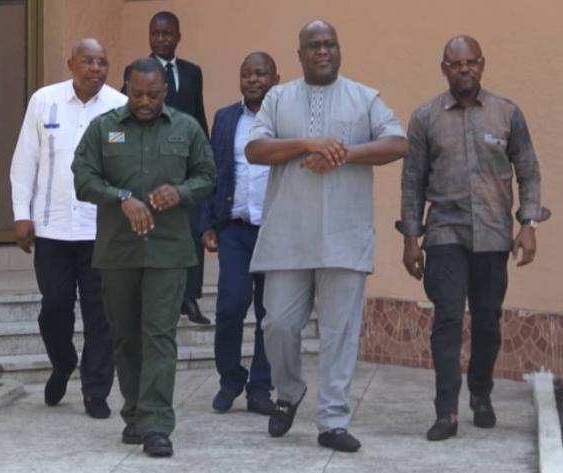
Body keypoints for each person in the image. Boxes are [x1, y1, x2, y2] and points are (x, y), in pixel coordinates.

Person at [245, 20, 408, 452]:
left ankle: (333, 420)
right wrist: (307, 144)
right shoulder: (278, 98)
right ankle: (289, 391)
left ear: (339, 50)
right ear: (299, 55)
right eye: (314, 45)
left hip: (344, 237)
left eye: (329, 44)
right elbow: (255, 150)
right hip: (287, 236)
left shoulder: (364, 97)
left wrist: (344, 153)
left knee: (340, 333)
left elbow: (397, 142)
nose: (323, 51)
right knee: (278, 324)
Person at [397, 35, 550, 441]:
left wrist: (528, 224)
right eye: (455, 63)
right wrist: (411, 237)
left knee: (487, 320)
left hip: (493, 234)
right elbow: (412, 182)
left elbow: (529, 171)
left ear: (482, 64)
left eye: (471, 62)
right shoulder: (425, 117)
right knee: (447, 318)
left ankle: (480, 393)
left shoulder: (507, 113)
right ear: (443, 68)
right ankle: (446, 411)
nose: (464, 69)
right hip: (444, 232)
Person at [72, 58, 215, 457]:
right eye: (137, 94)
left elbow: (208, 176)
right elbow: (83, 178)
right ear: (126, 89)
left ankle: (156, 424)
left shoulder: (186, 128)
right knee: (125, 337)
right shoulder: (104, 128)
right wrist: (121, 197)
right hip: (118, 251)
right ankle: (135, 412)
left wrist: (181, 193)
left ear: (165, 91)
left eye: (153, 94)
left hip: (169, 252)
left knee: (159, 336)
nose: (145, 102)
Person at [10, 38, 126, 418]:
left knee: (101, 316)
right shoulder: (44, 100)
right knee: (55, 307)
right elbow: (25, 160)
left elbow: (125, 167)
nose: (95, 68)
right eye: (87, 61)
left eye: (102, 62)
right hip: (52, 229)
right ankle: (62, 363)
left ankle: (96, 391)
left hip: (101, 231)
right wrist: (21, 214)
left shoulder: (119, 107)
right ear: (71, 63)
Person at [200, 52, 279, 416]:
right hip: (234, 229)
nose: (253, 80)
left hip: (276, 232)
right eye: (246, 74)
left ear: (275, 79)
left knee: (270, 314)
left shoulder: (285, 121)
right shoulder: (225, 118)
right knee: (230, 306)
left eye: (260, 74)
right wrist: (207, 224)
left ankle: (260, 388)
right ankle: (230, 377)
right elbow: (212, 171)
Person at [123, 11, 210, 325]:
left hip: (185, 165)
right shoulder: (136, 70)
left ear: (178, 37)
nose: (161, 39)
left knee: (191, 230)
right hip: (149, 162)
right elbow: (126, 116)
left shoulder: (192, 72)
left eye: (167, 33)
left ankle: (190, 297)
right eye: (155, 33)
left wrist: (204, 156)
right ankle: (153, 296)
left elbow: (198, 116)